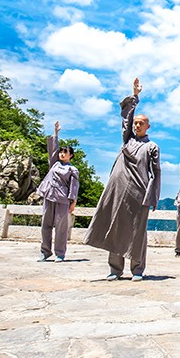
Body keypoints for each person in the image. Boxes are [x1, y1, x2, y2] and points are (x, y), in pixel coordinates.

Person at [84, 78, 161, 282]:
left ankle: (137, 269)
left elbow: (156, 173)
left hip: (138, 193)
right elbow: (126, 117)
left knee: (137, 232)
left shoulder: (151, 147)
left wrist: (153, 196)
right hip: (118, 190)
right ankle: (115, 269)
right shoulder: (128, 139)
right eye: (136, 123)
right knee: (115, 226)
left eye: (141, 123)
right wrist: (135, 96)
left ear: (148, 126)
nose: (136, 125)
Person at [36, 120, 79, 262]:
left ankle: (60, 253)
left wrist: (73, 202)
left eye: (65, 152)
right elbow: (52, 149)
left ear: (70, 155)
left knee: (61, 227)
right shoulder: (54, 163)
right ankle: (45, 251)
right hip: (49, 195)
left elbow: (74, 187)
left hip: (62, 199)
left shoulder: (72, 169)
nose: (62, 153)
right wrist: (56, 133)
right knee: (45, 224)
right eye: (61, 151)